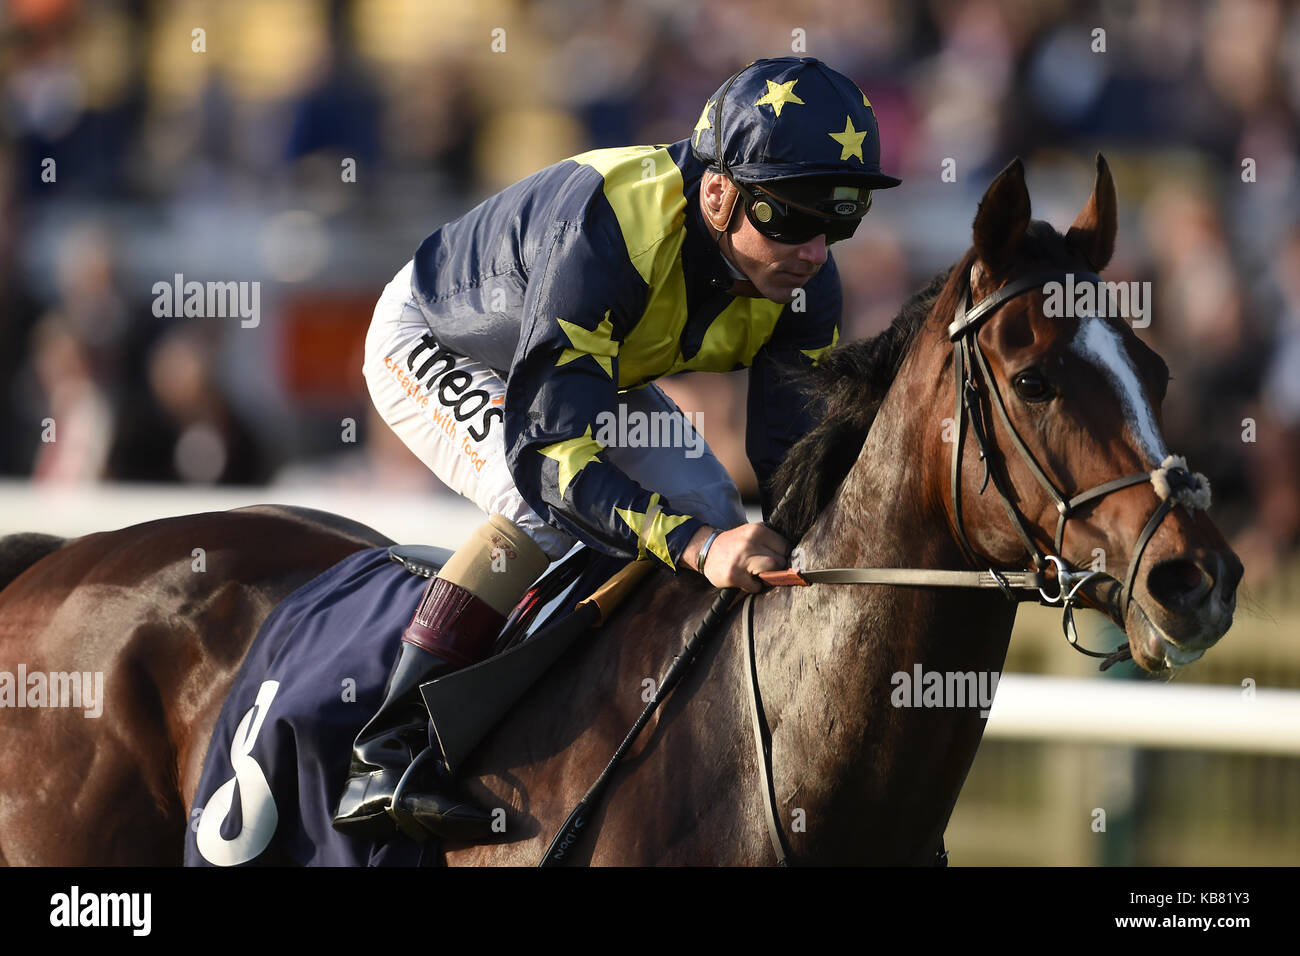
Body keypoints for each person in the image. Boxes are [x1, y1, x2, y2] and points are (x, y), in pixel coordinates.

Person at [334, 56, 901, 840]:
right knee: (541, 508)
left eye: (840, 217)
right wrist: (698, 548)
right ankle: (384, 751)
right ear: (716, 192)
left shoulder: (804, 281)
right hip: (442, 339)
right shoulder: (610, 233)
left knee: (711, 500)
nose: (813, 249)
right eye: (790, 217)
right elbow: (550, 459)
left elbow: (788, 459)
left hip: (588, 361)